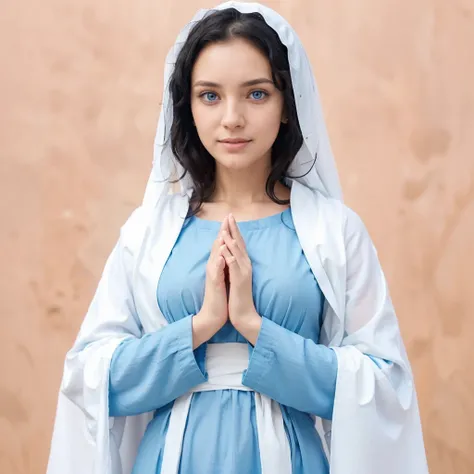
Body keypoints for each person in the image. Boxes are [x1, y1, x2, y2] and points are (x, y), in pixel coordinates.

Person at [47, 2, 429, 474]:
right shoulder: (148, 232)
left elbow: (382, 386)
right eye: (210, 96)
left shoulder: (335, 230)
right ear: (186, 105)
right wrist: (201, 325)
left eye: (256, 94)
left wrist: (255, 328)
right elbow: (94, 382)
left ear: (288, 104)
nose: (232, 119)